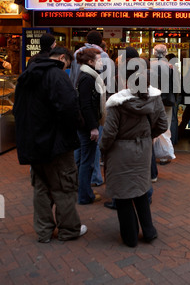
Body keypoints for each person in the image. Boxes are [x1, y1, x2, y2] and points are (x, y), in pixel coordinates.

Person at [12, 46, 87, 243]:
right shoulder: (57, 76)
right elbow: (69, 107)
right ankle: (69, 229)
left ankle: (43, 231)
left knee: (41, 187)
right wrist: (78, 126)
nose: (66, 69)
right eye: (67, 65)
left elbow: (17, 109)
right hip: (56, 143)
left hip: (32, 143)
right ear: (62, 58)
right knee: (64, 187)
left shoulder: (26, 75)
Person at [100, 60, 168, 247]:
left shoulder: (116, 103)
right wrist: (146, 137)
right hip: (143, 149)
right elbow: (162, 125)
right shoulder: (155, 98)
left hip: (120, 152)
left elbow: (110, 132)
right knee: (141, 190)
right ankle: (149, 232)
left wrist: (103, 149)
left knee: (123, 195)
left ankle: (130, 237)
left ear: (126, 82)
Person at [75, 47, 106, 205]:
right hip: (88, 127)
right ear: (90, 61)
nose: (101, 62)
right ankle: (85, 196)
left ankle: (83, 191)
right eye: (99, 60)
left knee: (83, 160)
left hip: (85, 125)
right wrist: (93, 127)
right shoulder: (88, 77)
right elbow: (86, 105)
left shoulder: (87, 75)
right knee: (87, 161)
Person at [150, 44, 177, 165]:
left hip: (153, 100)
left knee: (152, 125)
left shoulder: (149, 66)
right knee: (166, 125)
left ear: (154, 53)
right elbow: (176, 86)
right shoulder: (171, 67)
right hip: (167, 100)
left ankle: (151, 153)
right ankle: (164, 155)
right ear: (166, 53)